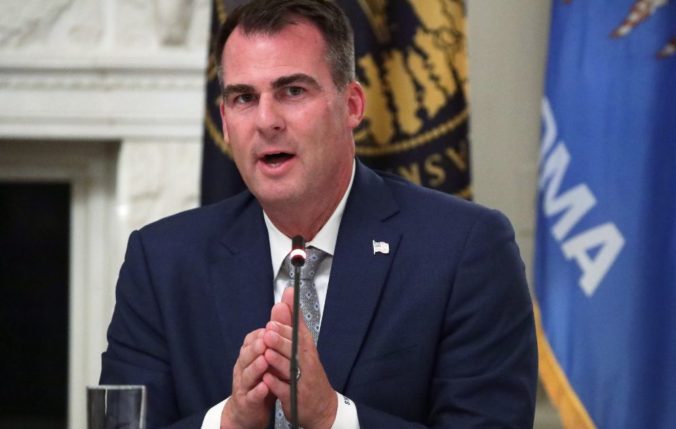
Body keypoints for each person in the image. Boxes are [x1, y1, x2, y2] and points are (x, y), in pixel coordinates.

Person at [100, 0, 537, 427]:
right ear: (225, 121)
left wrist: (333, 418)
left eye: (292, 91)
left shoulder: (465, 249)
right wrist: (228, 422)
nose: (266, 120)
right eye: (244, 98)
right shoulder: (161, 261)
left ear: (352, 106)